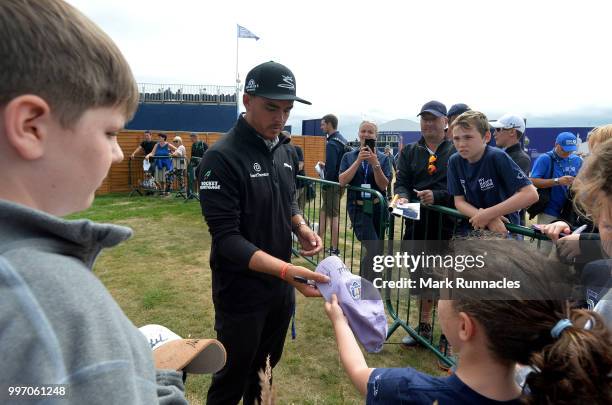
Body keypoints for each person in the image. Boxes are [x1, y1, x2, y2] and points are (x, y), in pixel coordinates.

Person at [0, 0, 187, 403]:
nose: (118, 153)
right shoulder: (59, 305)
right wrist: (154, 377)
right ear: (31, 127)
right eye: (108, 133)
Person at [324, 239, 612, 404]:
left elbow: (358, 371)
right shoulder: (547, 395)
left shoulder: (409, 391)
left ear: (465, 326)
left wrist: (340, 319)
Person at [197, 61, 329, 405]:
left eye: (286, 109)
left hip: (279, 291)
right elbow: (226, 239)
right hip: (240, 293)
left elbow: (288, 201)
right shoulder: (221, 157)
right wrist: (287, 270)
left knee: (264, 373)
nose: (280, 118)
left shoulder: (284, 150)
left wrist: (300, 226)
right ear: (247, 100)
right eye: (271, 107)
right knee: (231, 378)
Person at [394, 100, 456, 347]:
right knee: (421, 279)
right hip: (417, 226)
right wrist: (402, 196)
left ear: (445, 122)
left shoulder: (455, 151)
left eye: (433, 119)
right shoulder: (410, 151)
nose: (428, 123)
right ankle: (424, 329)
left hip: (448, 227)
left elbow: (461, 189)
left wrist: (437, 196)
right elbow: (402, 182)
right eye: (424, 119)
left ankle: (448, 337)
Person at [448, 110, 538, 232]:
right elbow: (459, 202)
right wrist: (486, 217)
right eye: (456, 138)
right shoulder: (454, 161)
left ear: (486, 137)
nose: (461, 144)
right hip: (473, 229)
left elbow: (531, 194)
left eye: (468, 137)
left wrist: (488, 214)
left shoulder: (497, 157)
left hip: (504, 231)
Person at [338, 121, 391, 281]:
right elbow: (342, 181)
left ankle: (370, 283)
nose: (366, 135)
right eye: (363, 131)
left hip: (378, 208)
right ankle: (366, 283)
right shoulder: (349, 156)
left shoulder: (383, 158)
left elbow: (383, 185)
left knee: (377, 249)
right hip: (358, 208)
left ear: (376, 136)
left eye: (370, 132)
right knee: (374, 247)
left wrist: (375, 164)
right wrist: (359, 161)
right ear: (359, 133)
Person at [529, 132, 583, 224]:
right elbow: (533, 181)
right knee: (546, 237)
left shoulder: (577, 160)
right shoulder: (545, 158)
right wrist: (557, 181)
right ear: (556, 145)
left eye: (570, 151)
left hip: (570, 210)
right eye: (564, 150)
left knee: (567, 238)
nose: (567, 153)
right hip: (549, 210)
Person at [490, 113, 531, 225]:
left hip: (507, 222)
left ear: (512, 132)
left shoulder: (521, 158)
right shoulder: (499, 154)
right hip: (495, 218)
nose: (494, 133)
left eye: (498, 129)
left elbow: (511, 194)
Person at [318, 114, 348, 256]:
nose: (321, 127)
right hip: (340, 182)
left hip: (332, 184)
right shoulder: (342, 139)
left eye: (323, 124)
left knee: (334, 216)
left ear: (329, 124)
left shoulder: (332, 143)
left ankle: (335, 249)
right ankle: (318, 241)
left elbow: (331, 168)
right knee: (324, 212)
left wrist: (325, 183)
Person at [188, 132, 208, 198]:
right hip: (195, 165)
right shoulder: (193, 145)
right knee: (194, 178)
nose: (191, 140)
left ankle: (202, 193)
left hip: (203, 164)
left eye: (191, 139)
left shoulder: (203, 144)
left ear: (195, 137)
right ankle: (196, 193)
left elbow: (208, 153)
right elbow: (192, 155)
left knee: (201, 178)